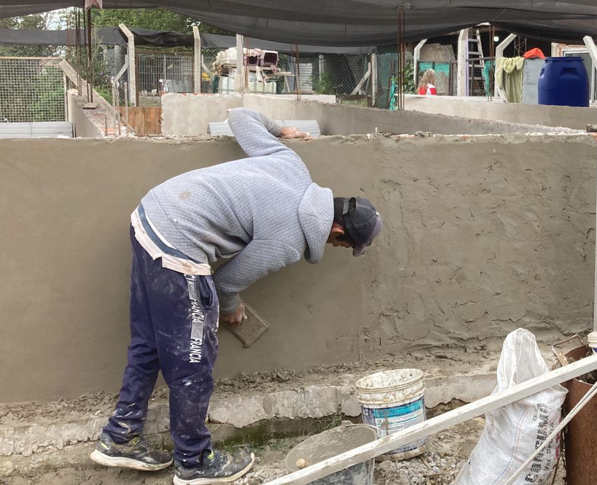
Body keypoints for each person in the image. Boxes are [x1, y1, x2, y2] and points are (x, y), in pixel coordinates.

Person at [90, 108, 382, 484]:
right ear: (338, 230)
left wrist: (283, 130)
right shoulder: (288, 240)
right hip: (179, 245)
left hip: (150, 217)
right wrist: (229, 309)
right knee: (194, 360)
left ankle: (120, 435)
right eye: (344, 245)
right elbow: (226, 283)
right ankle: (194, 463)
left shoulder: (290, 163)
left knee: (150, 342)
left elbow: (241, 116)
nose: (338, 248)